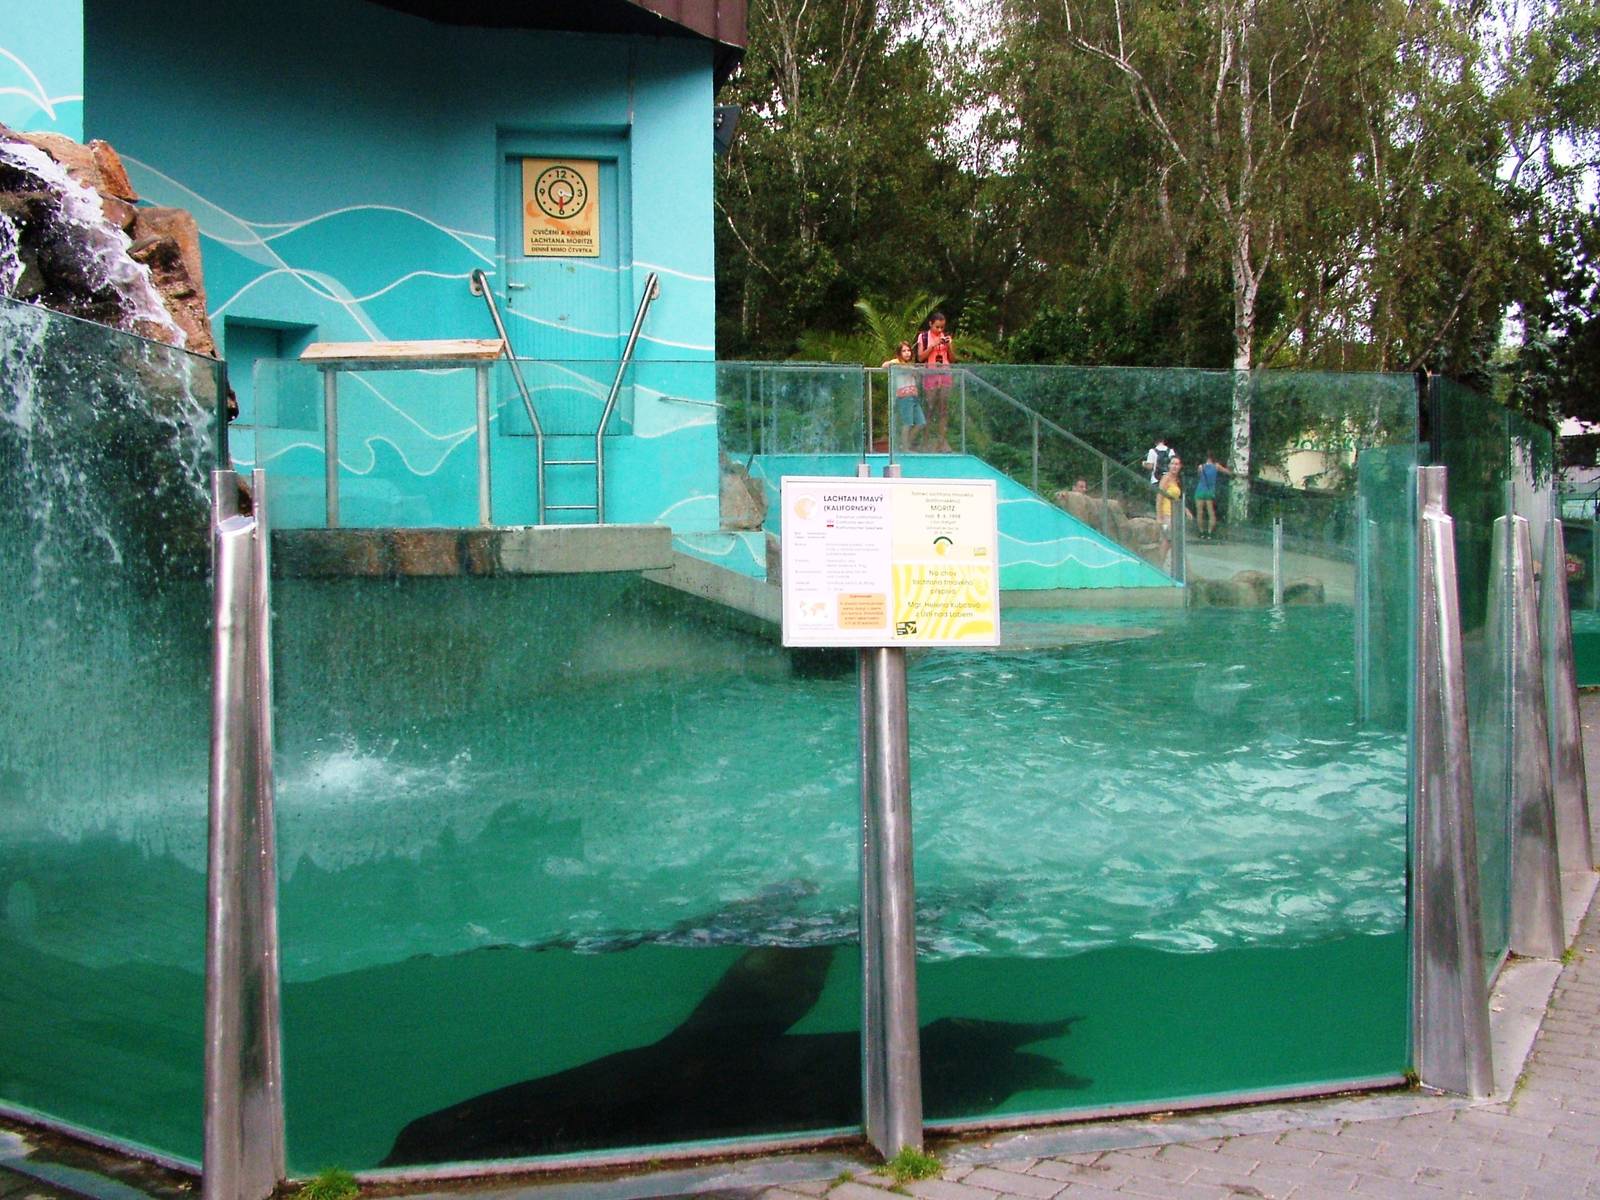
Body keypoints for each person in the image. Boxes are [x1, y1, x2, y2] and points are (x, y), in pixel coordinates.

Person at [915, 312, 956, 452]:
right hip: (930, 375)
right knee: (930, 408)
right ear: (930, 324)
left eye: (942, 327)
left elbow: (952, 358)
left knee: (944, 409)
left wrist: (949, 345)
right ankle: (925, 441)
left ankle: (942, 441)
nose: (940, 330)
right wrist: (933, 345)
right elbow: (920, 357)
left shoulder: (945, 337)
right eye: (937, 327)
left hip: (945, 374)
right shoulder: (924, 337)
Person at [883, 342, 924, 452]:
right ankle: (905, 448)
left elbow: (917, 378)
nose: (907, 353)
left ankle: (906, 445)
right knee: (907, 423)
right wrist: (901, 366)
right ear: (899, 353)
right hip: (904, 397)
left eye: (908, 350)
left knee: (921, 423)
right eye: (904, 351)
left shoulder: (911, 364)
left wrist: (914, 371)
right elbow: (884, 365)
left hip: (914, 396)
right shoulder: (897, 362)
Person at [1193, 451, 1231, 539]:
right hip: (1210, 491)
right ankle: (1210, 533)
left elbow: (1199, 476)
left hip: (1200, 490)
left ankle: (1201, 532)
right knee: (1211, 513)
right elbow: (1228, 472)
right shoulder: (1216, 466)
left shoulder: (1201, 467)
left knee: (1200, 512)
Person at [1157, 456, 1184, 572]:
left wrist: (1186, 510)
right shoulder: (1166, 478)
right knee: (1167, 540)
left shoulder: (1177, 480)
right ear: (1169, 465)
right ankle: (1160, 565)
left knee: (1172, 541)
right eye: (1173, 463)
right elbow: (1159, 496)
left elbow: (1177, 498)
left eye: (1177, 464)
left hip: (1175, 514)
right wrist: (1159, 516)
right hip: (1167, 514)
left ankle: (1169, 566)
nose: (1174, 466)